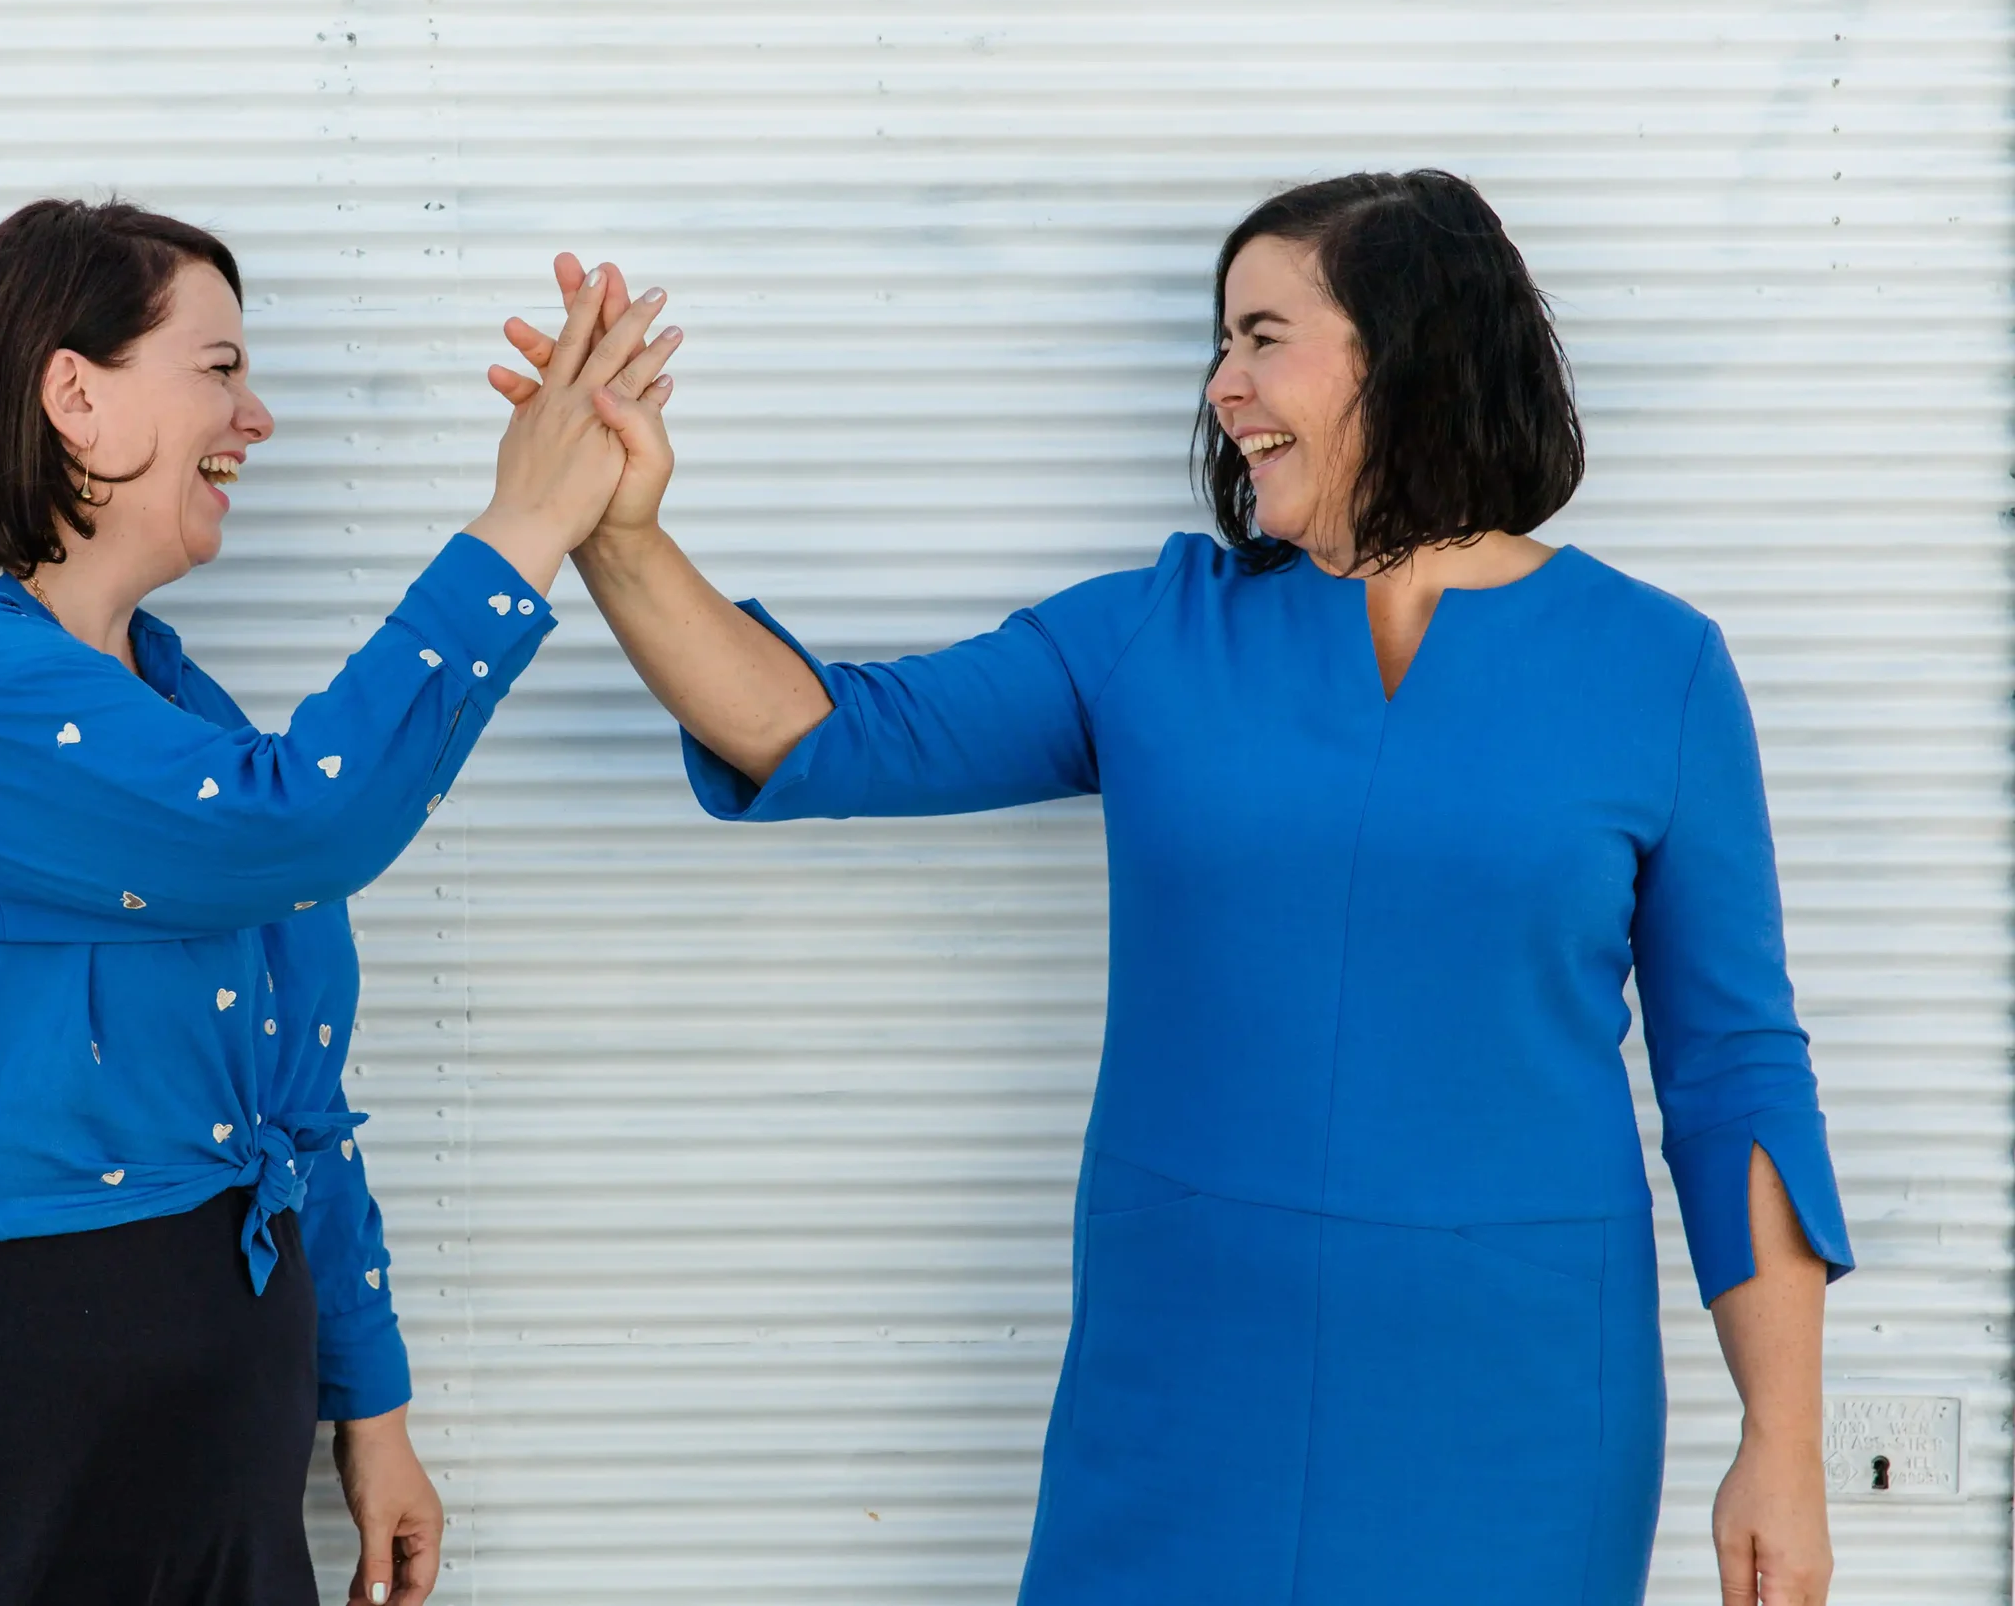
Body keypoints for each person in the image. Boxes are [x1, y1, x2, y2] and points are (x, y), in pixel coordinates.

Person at [496, 174, 1854, 1605]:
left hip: (1514, 1393)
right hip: (1189, 1370)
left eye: (1263, 337)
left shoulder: (1657, 668)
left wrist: (1785, 1439)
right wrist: (618, 533)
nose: (1222, 385)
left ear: (1409, 347)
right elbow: (821, 729)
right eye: (1222, 344)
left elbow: (1737, 1081)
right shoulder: (1155, 632)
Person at [0, 199, 677, 1606]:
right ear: (74, 395)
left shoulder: (176, 700)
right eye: (219, 367)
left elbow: (294, 1097)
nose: (256, 417)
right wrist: (525, 525)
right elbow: (305, 815)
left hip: (184, 1469)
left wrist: (369, 1405)